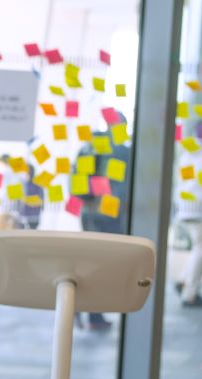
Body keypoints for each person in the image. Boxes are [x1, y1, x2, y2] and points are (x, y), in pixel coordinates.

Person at [73, 115, 132, 331]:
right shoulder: (123, 150)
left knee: (91, 261)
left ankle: (85, 309)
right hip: (110, 214)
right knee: (103, 265)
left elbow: (77, 180)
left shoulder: (90, 146)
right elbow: (126, 187)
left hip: (89, 211)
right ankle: (91, 312)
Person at [173, 149, 202, 308]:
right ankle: (190, 294)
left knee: (198, 250)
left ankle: (184, 281)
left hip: (186, 208)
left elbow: (187, 182)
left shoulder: (188, 154)